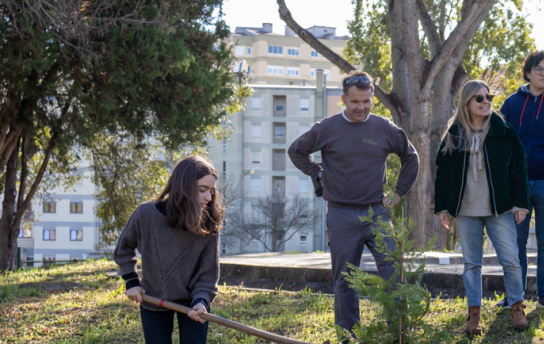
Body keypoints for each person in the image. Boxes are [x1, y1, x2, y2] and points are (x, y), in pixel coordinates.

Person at [288, 70, 419, 338]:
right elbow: (296, 151)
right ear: (343, 100)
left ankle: (398, 333)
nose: (360, 107)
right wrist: (318, 173)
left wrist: (397, 192)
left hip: (376, 213)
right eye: (354, 102)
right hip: (340, 215)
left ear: (372, 99)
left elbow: (411, 157)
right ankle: (349, 336)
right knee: (345, 281)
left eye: (366, 102)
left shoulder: (384, 128)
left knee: (393, 274)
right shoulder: (327, 128)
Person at [434, 80, 530, 334]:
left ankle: (517, 307)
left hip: (500, 208)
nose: (486, 101)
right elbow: (442, 174)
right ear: (466, 103)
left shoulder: (504, 131)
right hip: (465, 210)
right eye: (479, 98)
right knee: (471, 264)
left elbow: (519, 170)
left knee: (510, 260)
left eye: (489, 97)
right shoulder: (453, 135)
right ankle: (474, 314)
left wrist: (521, 203)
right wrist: (443, 207)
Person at [114, 156, 223, 344]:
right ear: (184, 188)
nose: (209, 197)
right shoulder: (145, 214)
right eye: (202, 190)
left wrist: (201, 301)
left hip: (192, 303)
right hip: (153, 298)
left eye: (211, 191)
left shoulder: (208, 223)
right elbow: (123, 249)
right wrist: (131, 281)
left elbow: (208, 272)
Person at [497, 50, 544, 309]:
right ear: (528, 72)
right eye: (540, 69)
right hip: (517, 184)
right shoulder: (512, 103)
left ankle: (543, 298)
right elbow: (500, 142)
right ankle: (514, 297)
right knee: (516, 243)